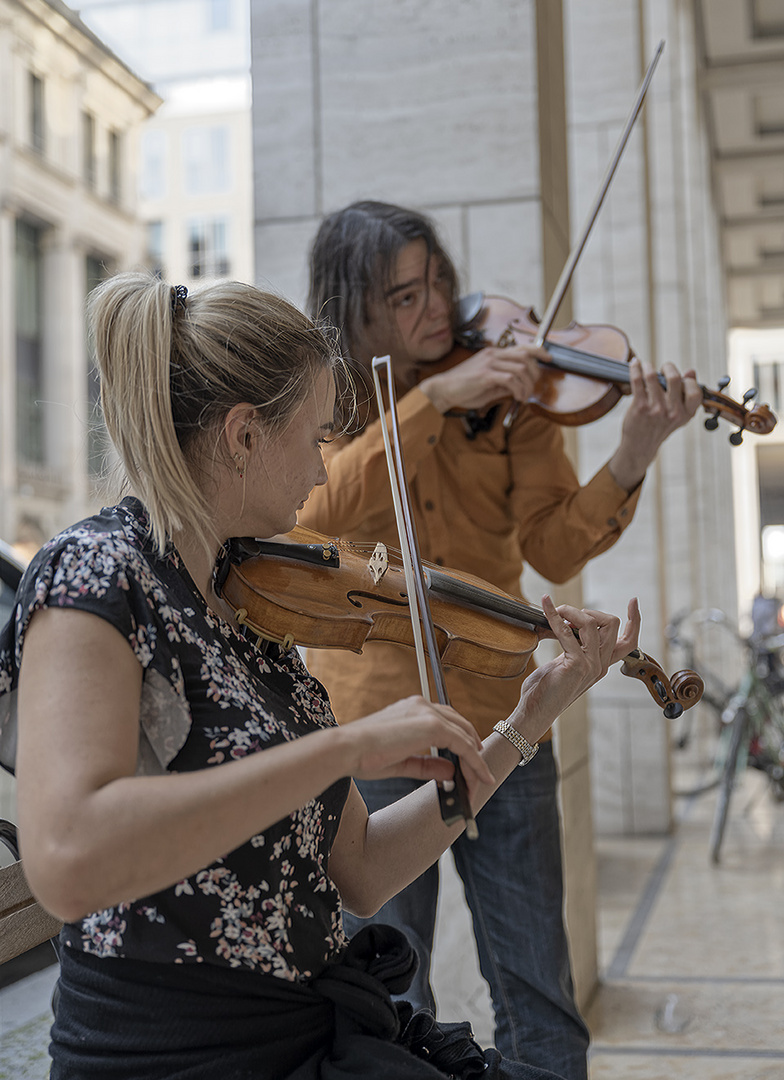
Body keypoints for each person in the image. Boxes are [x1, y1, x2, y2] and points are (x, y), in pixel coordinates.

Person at [0, 272, 639, 1080]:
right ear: (243, 436)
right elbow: (66, 857)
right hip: (185, 1055)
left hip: (307, 1029)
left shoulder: (255, 618)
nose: (322, 471)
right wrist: (343, 751)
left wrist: (524, 723)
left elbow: (364, 870)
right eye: (315, 438)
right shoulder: (98, 574)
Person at [301, 200, 703, 1079]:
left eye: (438, 279)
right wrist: (431, 403)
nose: (437, 307)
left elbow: (552, 544)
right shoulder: (328, 404)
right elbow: (310, 517)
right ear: (354, 306)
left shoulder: (511, 395)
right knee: (390, 1001)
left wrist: (631, 451)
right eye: (404, 296)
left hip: (503, 720)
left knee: (539, 996)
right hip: (375, 730)